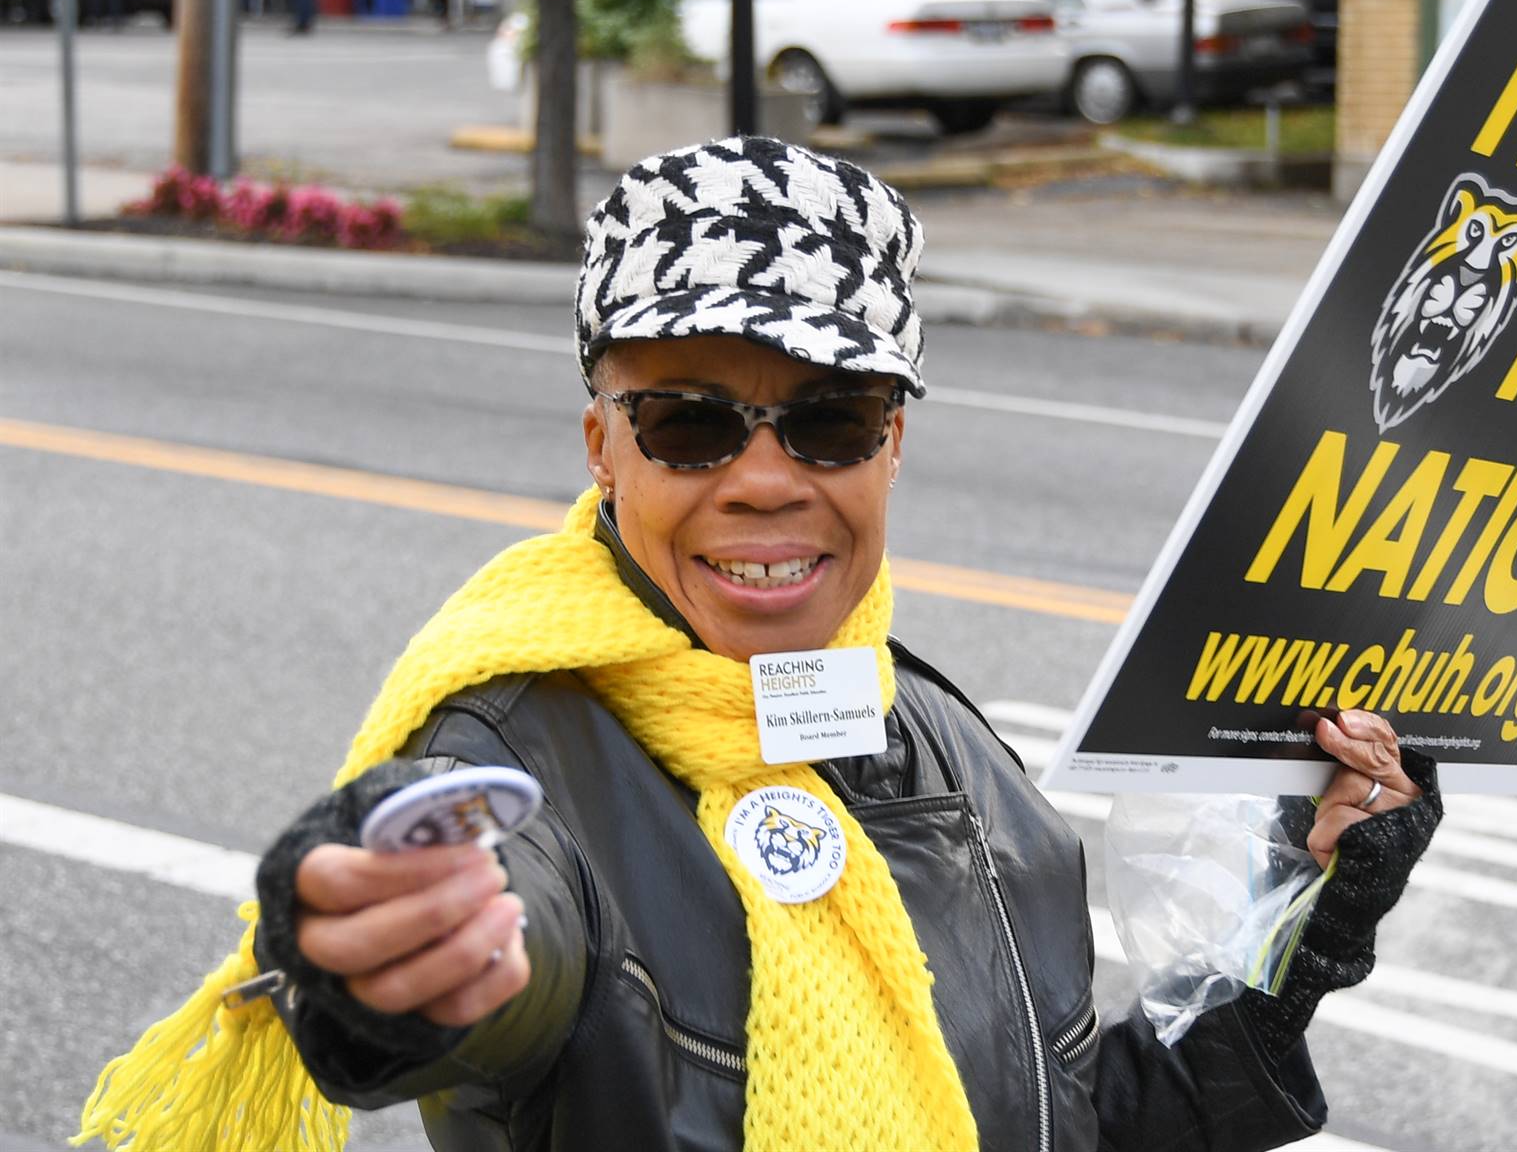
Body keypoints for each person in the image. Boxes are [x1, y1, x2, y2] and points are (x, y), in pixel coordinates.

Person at [77, 137, 1442, 1152]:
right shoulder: (513, 756)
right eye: (690, 422)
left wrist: (1297, 926)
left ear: (893, 443)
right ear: (604, 441)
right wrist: (390, 960)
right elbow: (502, 932)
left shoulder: (950, 751)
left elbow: (1076, 1121)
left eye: (830, 419)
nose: (767, 478)